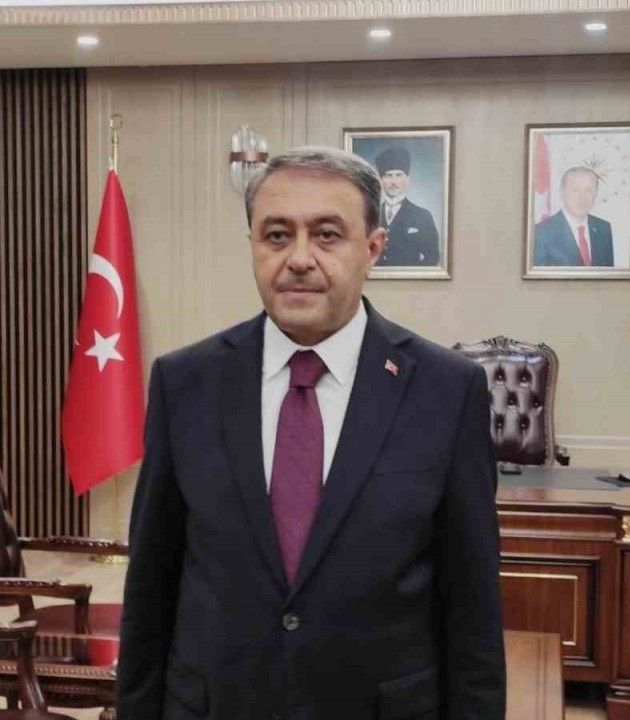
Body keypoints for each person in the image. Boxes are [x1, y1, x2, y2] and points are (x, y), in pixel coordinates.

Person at [116, 146, 505, 720]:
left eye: (327, 236)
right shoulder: (185, 383)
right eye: (277, 236)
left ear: (373, 248)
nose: (299, 259)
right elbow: (151, 586)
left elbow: (473, 607)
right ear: (253, 244)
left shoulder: (447, 390)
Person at [532, 166, 614, 267]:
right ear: (562, 193)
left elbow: (608, 275)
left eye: (589, 190)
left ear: (595, 194)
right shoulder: (541, 232)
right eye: (575, 190)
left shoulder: (603, 228)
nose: (582, 197)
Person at [374, 146, 441, 267]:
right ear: (381, 180)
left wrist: (412, 276)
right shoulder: (371, 215)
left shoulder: (422, 216)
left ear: (407, 180)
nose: (393, 182)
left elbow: (433, 257)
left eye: (399, 175)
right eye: (388, 175)